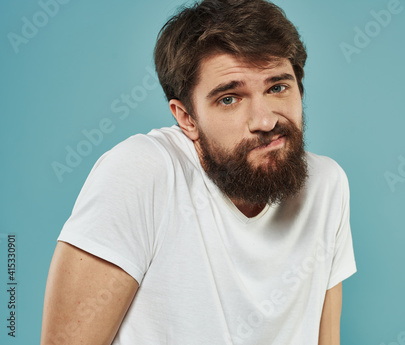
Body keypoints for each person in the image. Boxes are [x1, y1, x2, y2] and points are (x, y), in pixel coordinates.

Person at [41, 0, 357, 344]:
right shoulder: (142, 173)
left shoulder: (328, 185)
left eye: (277, 87)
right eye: (229, 98)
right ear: (186, 118)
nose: (265, 121)